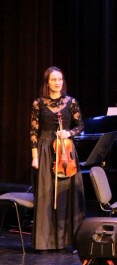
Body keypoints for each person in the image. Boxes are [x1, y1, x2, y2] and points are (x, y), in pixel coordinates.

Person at [29, 67, 85, 251]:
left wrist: (69, 133)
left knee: (65, 195)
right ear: (47, 82)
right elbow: (33, 132)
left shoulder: (71, 102)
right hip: (45, 149)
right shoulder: (38, 103)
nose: (57, 82)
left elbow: (80, 126)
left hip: (65, 153)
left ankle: (66, 240)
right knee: (46, 195)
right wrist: (35, 157)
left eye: (60, 79)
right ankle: (44, 242)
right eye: (53, 79)